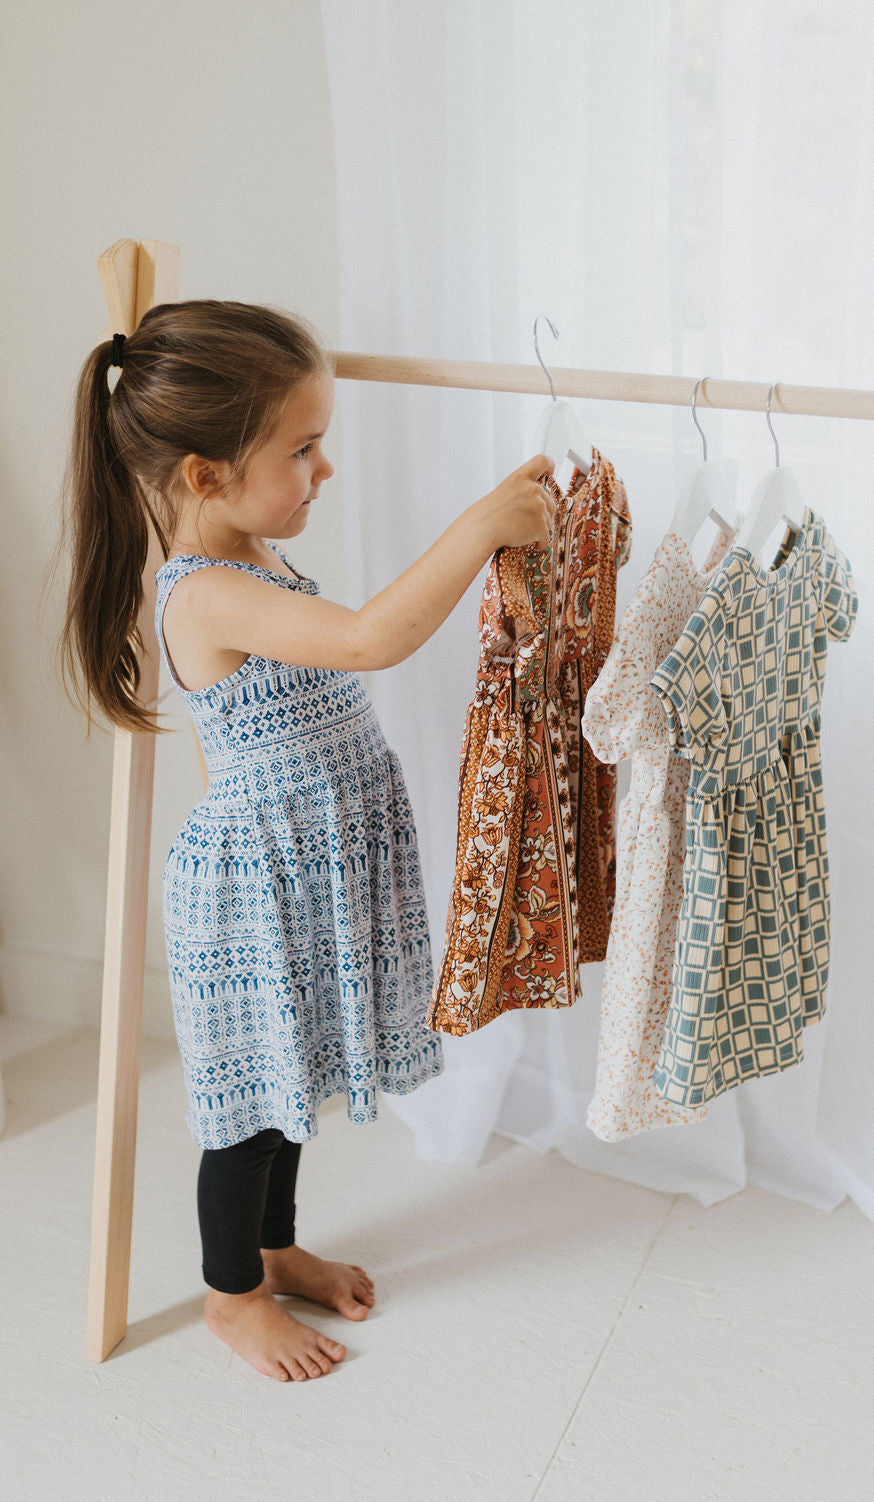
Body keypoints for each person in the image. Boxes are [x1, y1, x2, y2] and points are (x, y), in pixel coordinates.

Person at [58, 299, 555, 1383]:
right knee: (247, 1109)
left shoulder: (252, 551)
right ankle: (231, 1295)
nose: (323, 469)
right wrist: (479, 526)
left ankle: (274, 1249)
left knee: (290, 1084)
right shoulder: (205, 590)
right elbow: (370, 639)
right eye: (302, 448)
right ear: (206, 473)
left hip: (304, 861)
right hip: (256, 880)